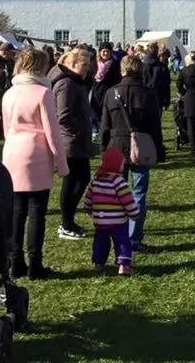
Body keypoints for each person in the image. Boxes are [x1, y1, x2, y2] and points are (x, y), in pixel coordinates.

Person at [2, 48, 69, 279]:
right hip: (36, 153)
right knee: (36, 212)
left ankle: (15, 261)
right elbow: (53, 133)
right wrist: (62, 163)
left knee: (16, 210)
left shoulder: (9, 93)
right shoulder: (43, 93)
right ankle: (35, 264)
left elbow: (6, 127)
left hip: (12, 152)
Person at [99, 55, 165, 253]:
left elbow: (104, 125)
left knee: (116, 194)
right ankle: (133, 237)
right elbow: (155, 125)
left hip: (116, 145)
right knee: (138, 193)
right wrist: (159, 149)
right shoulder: (148, 93)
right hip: (141, 145)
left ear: (122, 70)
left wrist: (104, 148)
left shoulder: (111, 92)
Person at [50, 49, 93, 241]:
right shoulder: (67, 83)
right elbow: (63, 115)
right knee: (74, 181)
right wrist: (77, 131)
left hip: (77, 139)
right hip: (70, 141)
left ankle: (68, 220)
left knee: (81, 179)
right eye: (85, 64)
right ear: (73, 64)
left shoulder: (76, 82)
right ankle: (65, 223)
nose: (88, 68)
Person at [84, 147, 140, 276]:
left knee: (100, 241)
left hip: (100, 220)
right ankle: (124, 265)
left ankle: (98, 263)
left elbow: (88, 197)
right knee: (122, 241)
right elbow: (128, 201)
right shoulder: (119, 182)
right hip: (118, 220)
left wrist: (88, 209)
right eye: (121, 163)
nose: (123, 166)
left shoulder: (96, 181)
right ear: (115, 164)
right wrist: (135, 214)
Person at [142, 43, 172, 111]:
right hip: (158, 97)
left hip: (145, 96)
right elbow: (167, 85)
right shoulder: (162, 67)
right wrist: (167, 100)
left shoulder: (142, 66)